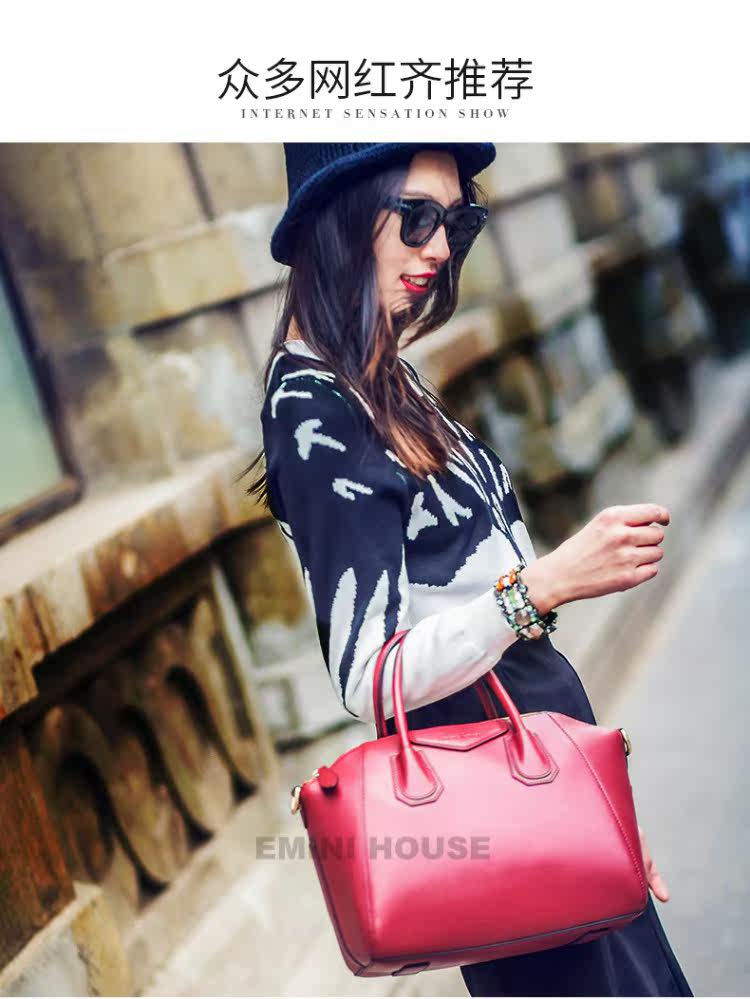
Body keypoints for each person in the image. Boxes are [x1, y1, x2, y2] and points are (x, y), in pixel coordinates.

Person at [243, 142, 693, 997]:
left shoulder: (377, 374)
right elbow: (370, 675)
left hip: (542, 771)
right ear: (339, 217)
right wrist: (542, 585)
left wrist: (595, 803)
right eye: (416, 217)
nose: (441, 247)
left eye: (458, 221)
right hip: (494, 796)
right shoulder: (315, 409)